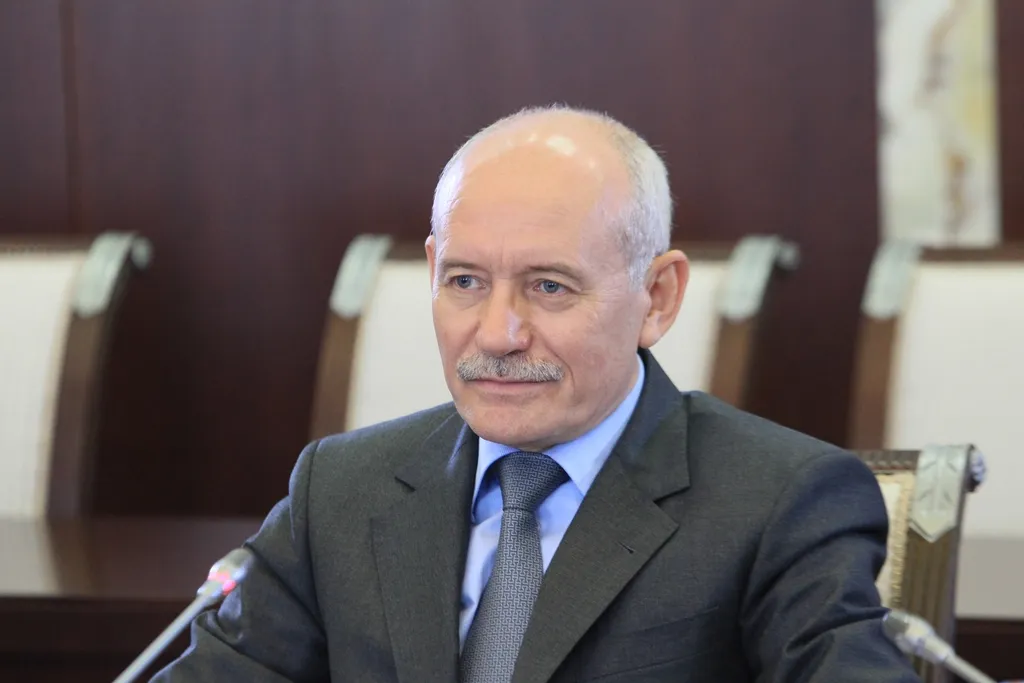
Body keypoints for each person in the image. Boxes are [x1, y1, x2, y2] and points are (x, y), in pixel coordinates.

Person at [153, 105, 919, 682]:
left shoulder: (779, 502)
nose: (496, 334)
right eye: (465, 281)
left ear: (656, 297)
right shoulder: (340, 490)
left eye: (549, 286)